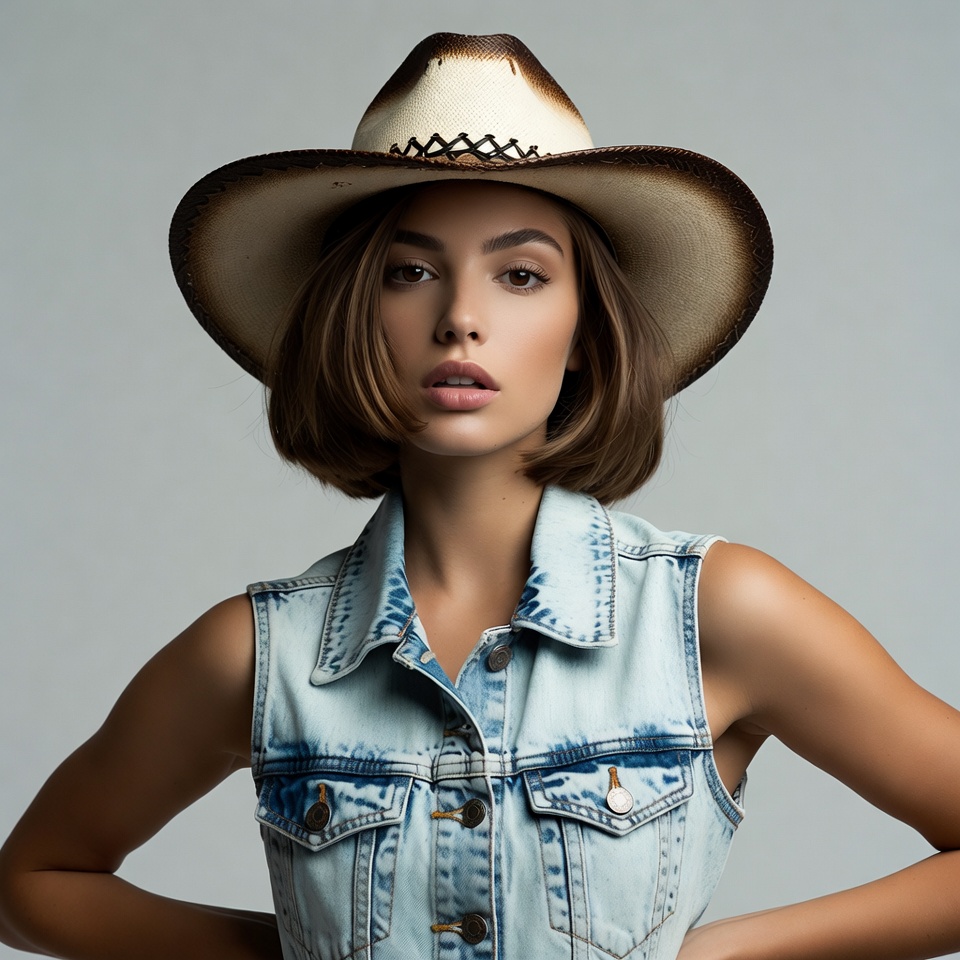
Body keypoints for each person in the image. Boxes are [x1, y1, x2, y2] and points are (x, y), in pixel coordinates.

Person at [1, 30, 959, 960]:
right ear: (352, 315)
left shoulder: (711, 615)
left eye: (521, 275)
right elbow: (33, 883)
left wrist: (717, 957)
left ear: (586, 329)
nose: (461, 318)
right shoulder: (261, 655)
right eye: (410, 272)